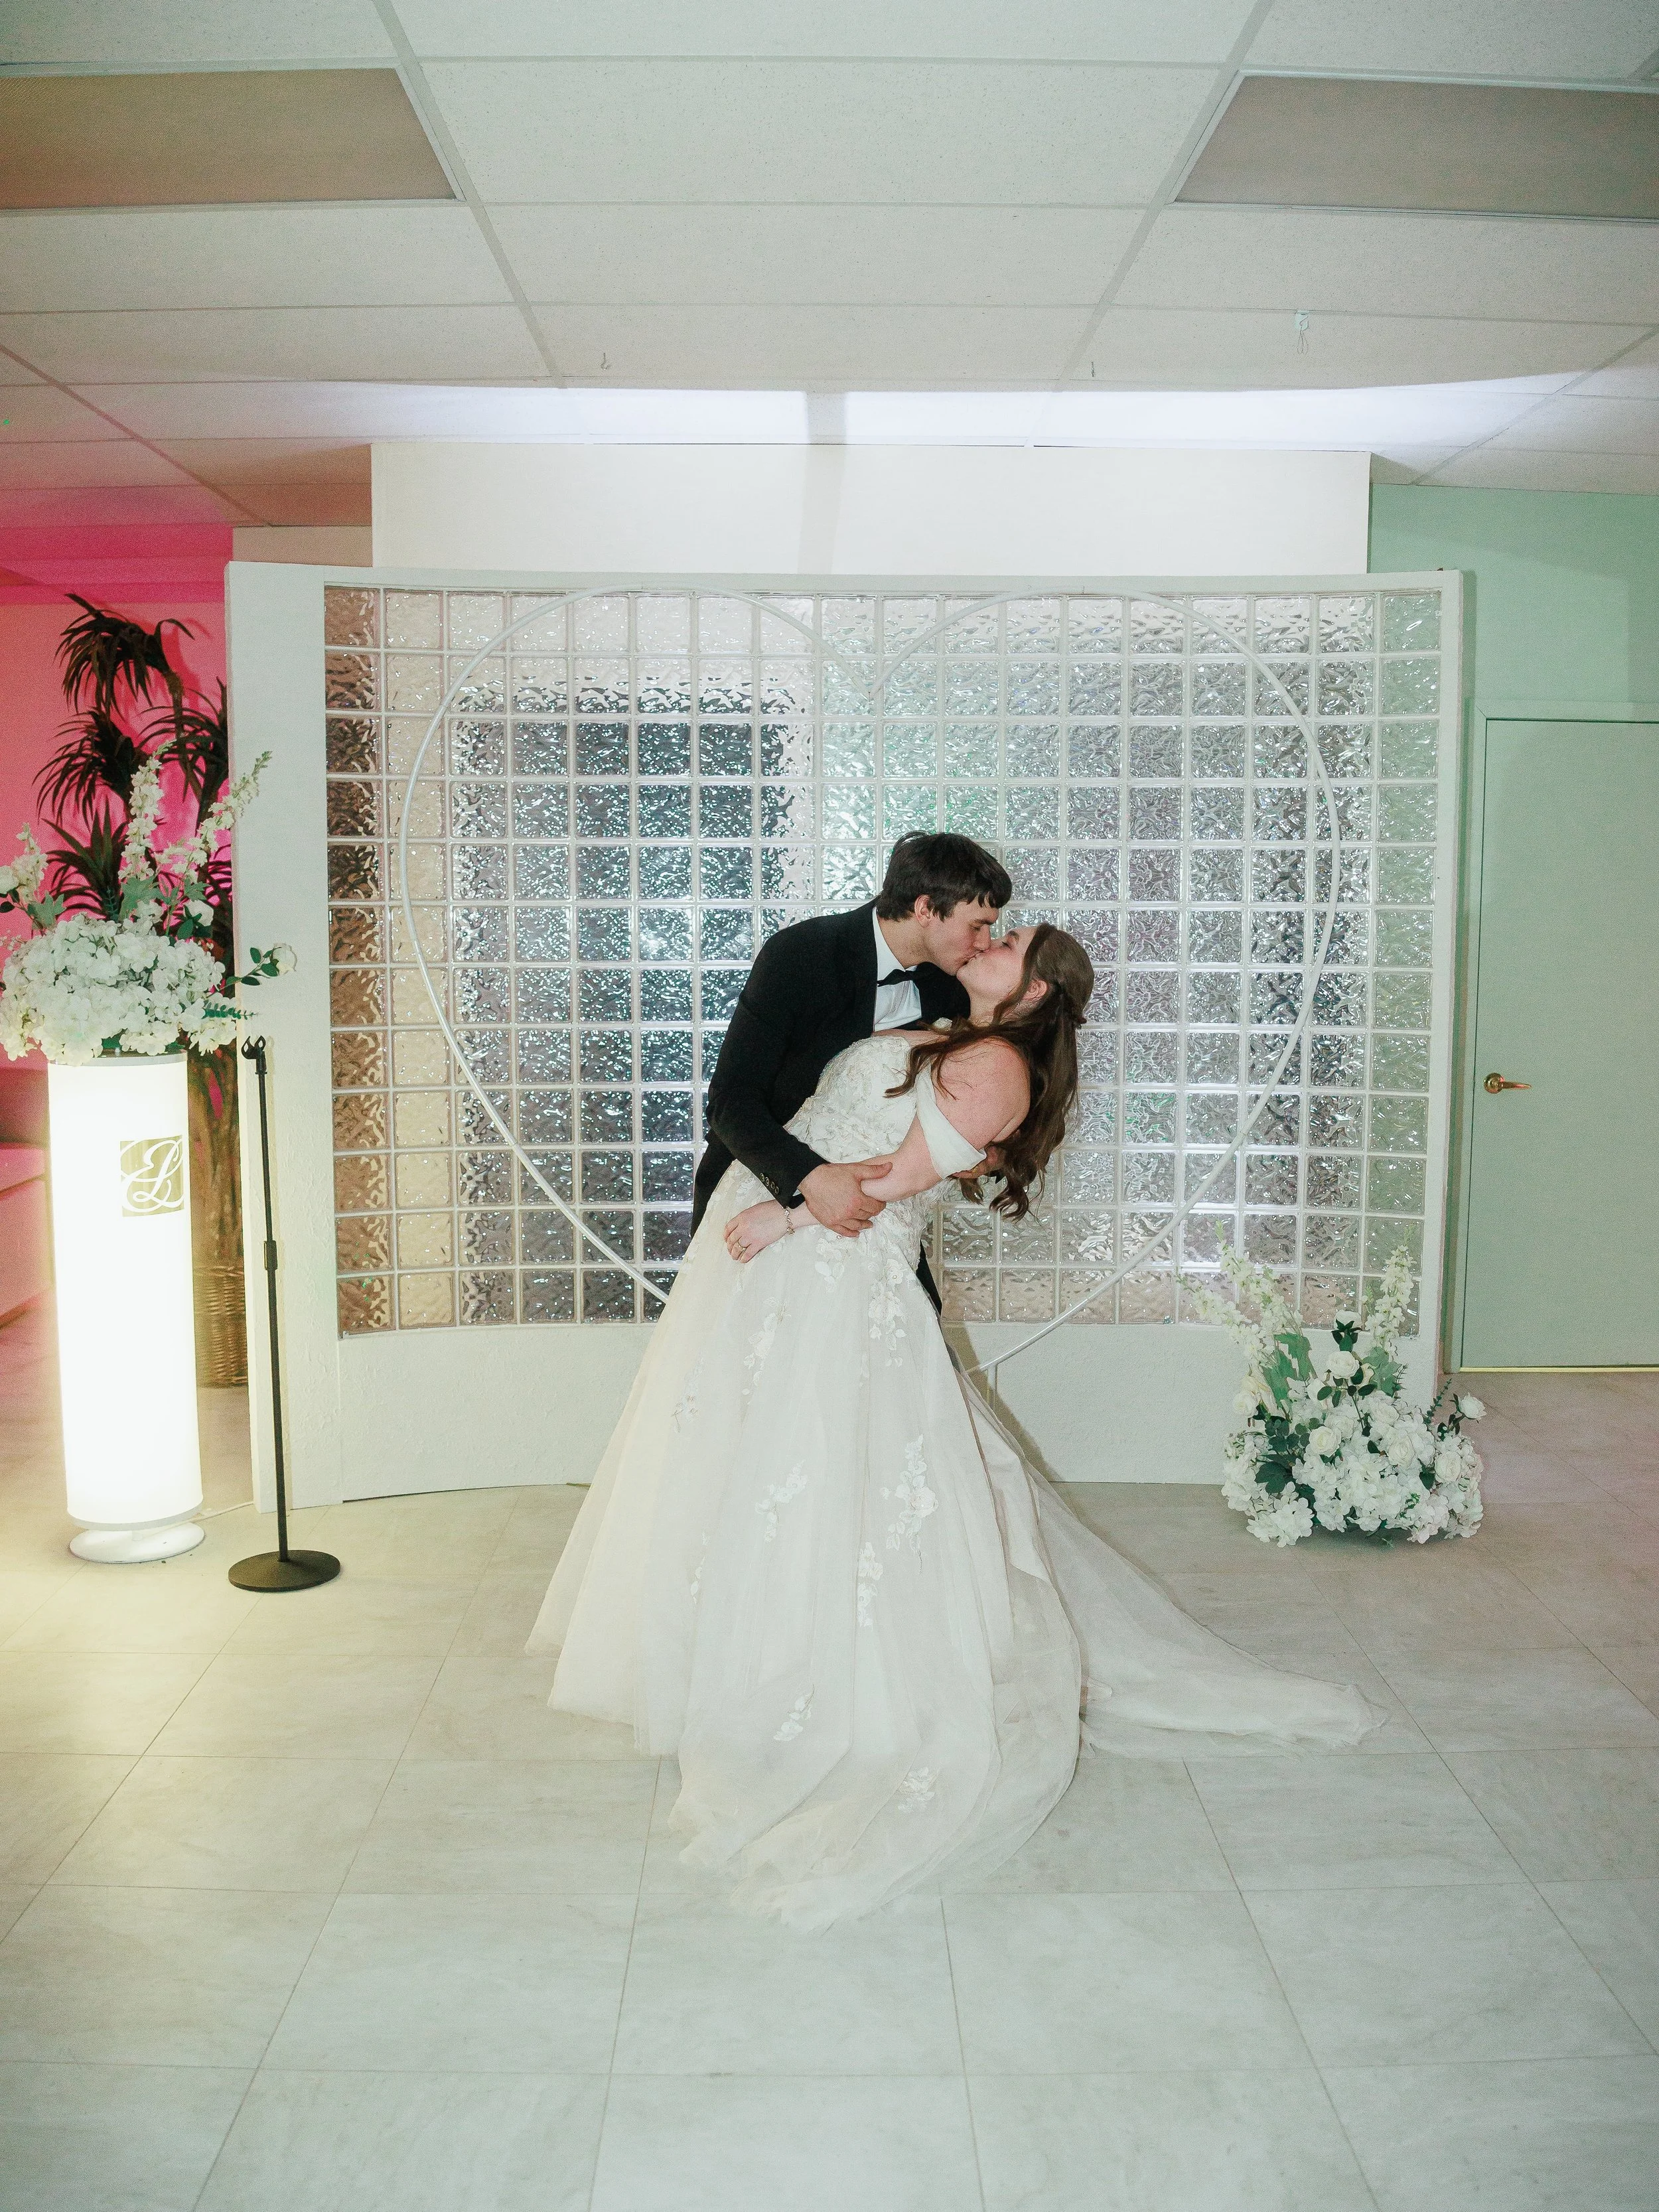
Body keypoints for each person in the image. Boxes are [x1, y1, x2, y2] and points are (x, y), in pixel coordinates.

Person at [528, 919, 1381, 1929]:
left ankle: (848, 1699)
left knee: (843, 1485)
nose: (994, 935)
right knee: (767, 1477)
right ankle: (745, 1680)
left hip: (844, 1279)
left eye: (1011, 938)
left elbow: (899, 1178)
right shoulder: (943, 1028)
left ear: (1034, 992)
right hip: (800, 1286)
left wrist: (786, 1215)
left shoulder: (999, 1067)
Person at [693, 829, 1011, 1309]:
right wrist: (810, 1179)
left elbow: (985, 1094)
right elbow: (730, 1100)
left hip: (876, 1221)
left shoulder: (955, 985)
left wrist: (989, 1152)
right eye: (977, 925)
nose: (985, 943)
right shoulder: (801, 954)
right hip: (757, 1196)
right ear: (925, 908)